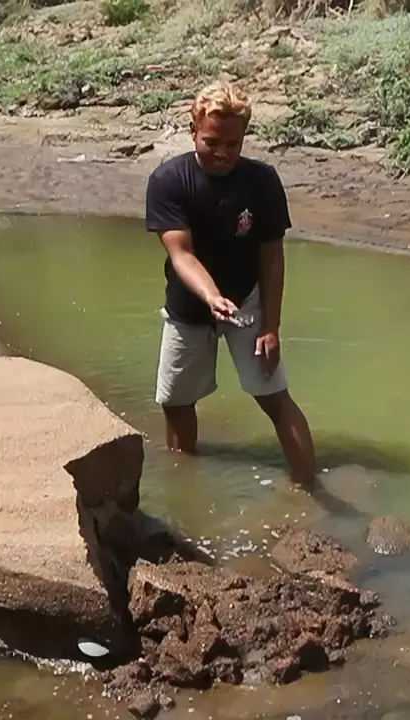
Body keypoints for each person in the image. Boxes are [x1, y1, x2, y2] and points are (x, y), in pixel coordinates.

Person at [144, 79, 317, 486]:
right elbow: (181, 254)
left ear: (243, 139)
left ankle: (310, 489)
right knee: (176, 401)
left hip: (249, 300)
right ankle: (185, 484)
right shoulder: (170, 181)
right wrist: (210, 296)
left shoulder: (261, 182)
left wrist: (271, 326)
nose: (222, 152)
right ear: (193, 132)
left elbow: (272, 258)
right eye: (211, 142)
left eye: (232, 144)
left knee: (275, 397)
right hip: (189, 305)